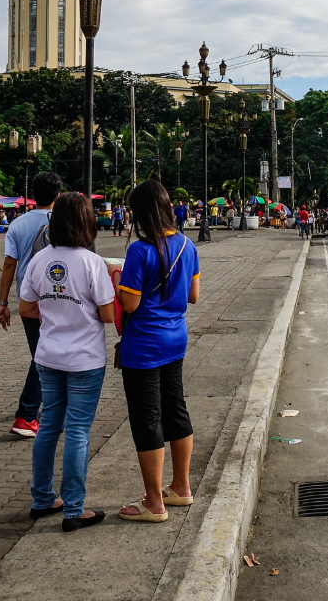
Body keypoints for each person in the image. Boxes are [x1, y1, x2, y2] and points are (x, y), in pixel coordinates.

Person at [18, 191, 118, 532]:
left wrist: (55, 310)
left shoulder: (39, 259)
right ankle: (74, 509)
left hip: (48, 355)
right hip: (85, 359)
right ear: (87, 222)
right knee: (77, 430)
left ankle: (42, 498)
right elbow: (107, 315)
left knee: (48, 427)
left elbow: (27, 308)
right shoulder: (92, 263)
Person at [115, 180, 200, 523]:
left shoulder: (140, 250)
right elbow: (193, 296)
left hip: (144, 347)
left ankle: (153, 502)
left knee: (147, 418)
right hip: (175, 339)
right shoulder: (187, 245)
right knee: (175, 409)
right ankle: (181, 486)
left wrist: (116, 282)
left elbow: (130, 304)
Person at [0, 171, 64, 438]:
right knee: (45, 355)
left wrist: (3, 302)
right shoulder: (61, 221)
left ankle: (44, 408)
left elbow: (9, 264)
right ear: (58, 195)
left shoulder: (18, 224)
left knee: (43, 352)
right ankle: (26, 414)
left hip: (28, 298)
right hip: (58, 295)